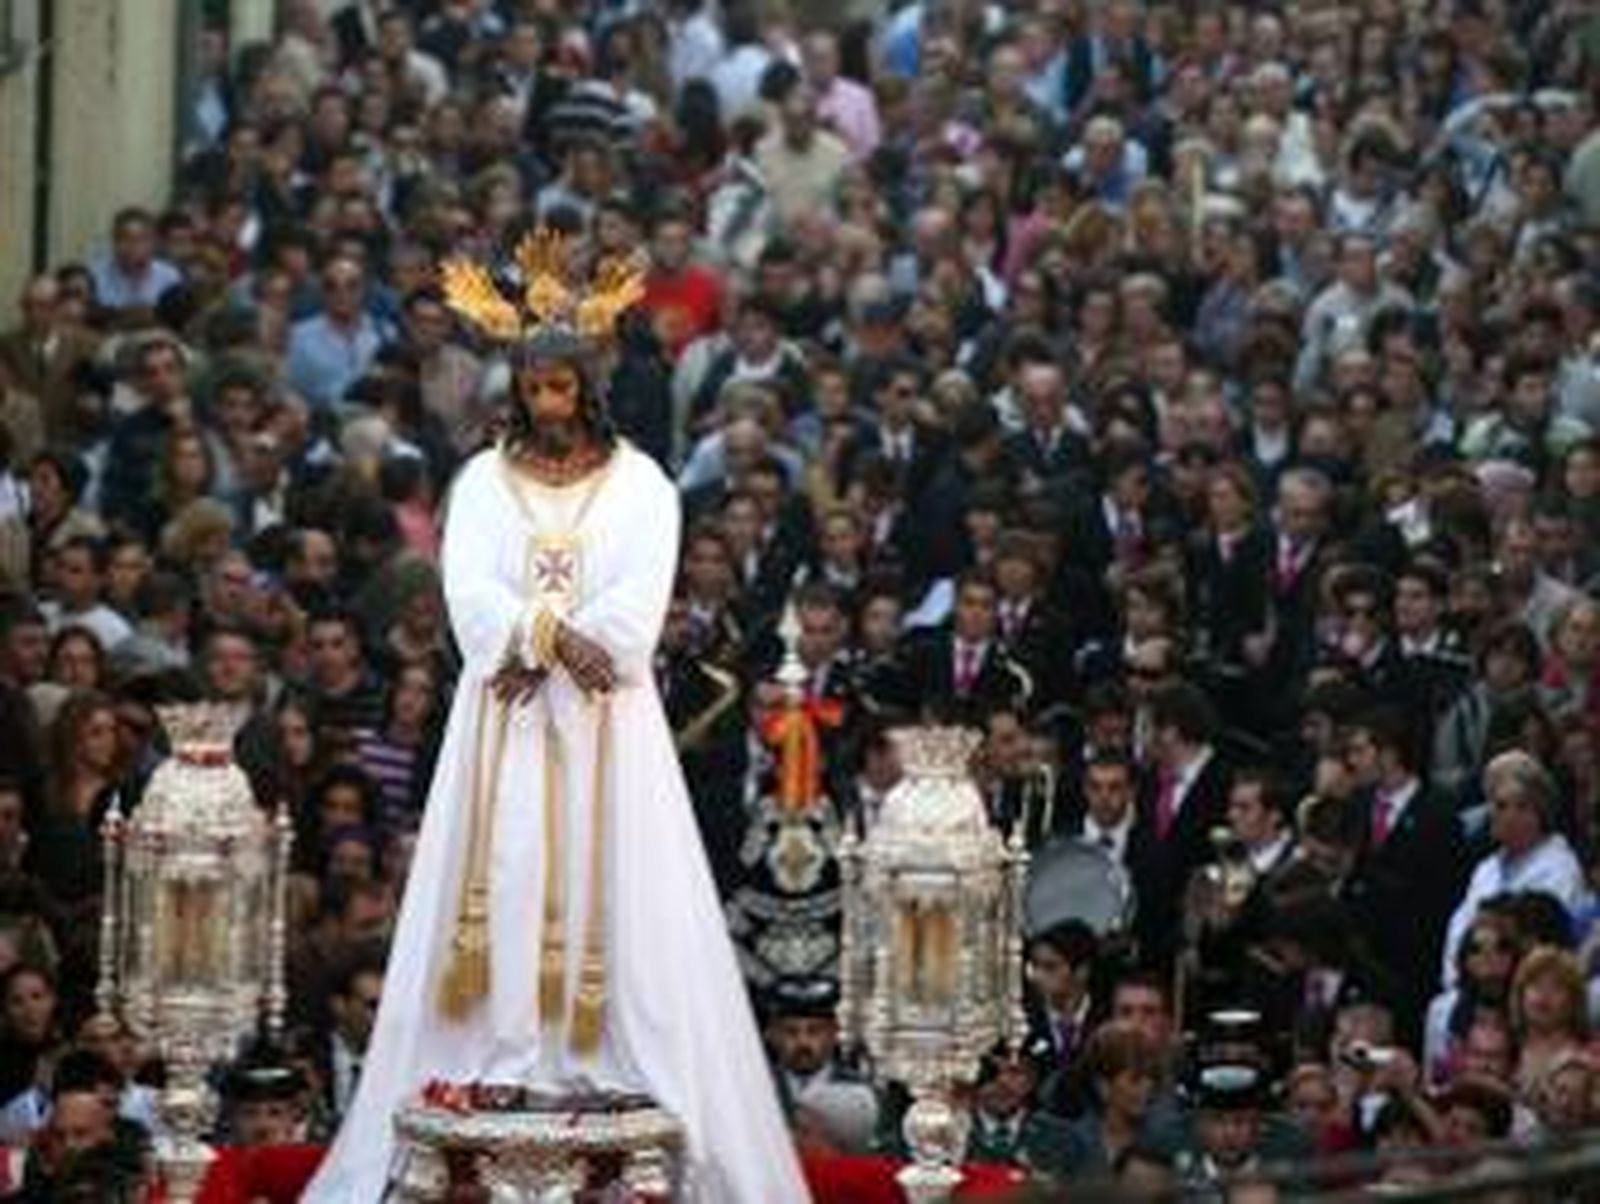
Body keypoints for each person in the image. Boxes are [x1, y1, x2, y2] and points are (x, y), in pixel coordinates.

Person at [304, 231, 808, 1203]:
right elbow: (470, 591)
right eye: (532, 389)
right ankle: (494, 1050)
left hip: (607, 725)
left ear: (587, 387)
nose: (547, 405)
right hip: (504, 719)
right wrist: (541, 637)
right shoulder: (482, 483)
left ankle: (606, 1060)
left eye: (561, 388)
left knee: (623, 889)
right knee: (504, 868)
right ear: (515, 390)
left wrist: (570, 646)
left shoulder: (645, 486)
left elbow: (636, 601)